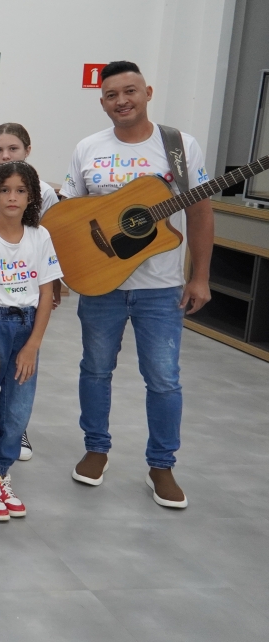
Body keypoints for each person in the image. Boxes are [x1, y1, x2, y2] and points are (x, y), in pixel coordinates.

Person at [61, 60, 212, 509]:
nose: (121, 101)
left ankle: (161, 466)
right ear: (102, 101)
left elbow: (200, 214)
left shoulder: (180, 147)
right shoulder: (88, 148)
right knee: (95, 369)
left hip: (161, 287)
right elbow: (68, 215)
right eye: (112, 94)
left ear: (147, 92)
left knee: (164, 379)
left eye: (130, 91)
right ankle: (96, 449)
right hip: (101, 284)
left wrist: (200, 276)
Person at [0, 162, 61, 522]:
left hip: (27, 327)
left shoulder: (40, 236)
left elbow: (47, 293)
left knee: (18, 409)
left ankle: (1, 474)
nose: (12, 197)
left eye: (20, 190)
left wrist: (33, 345)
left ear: (31, 196)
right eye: (4, 190)